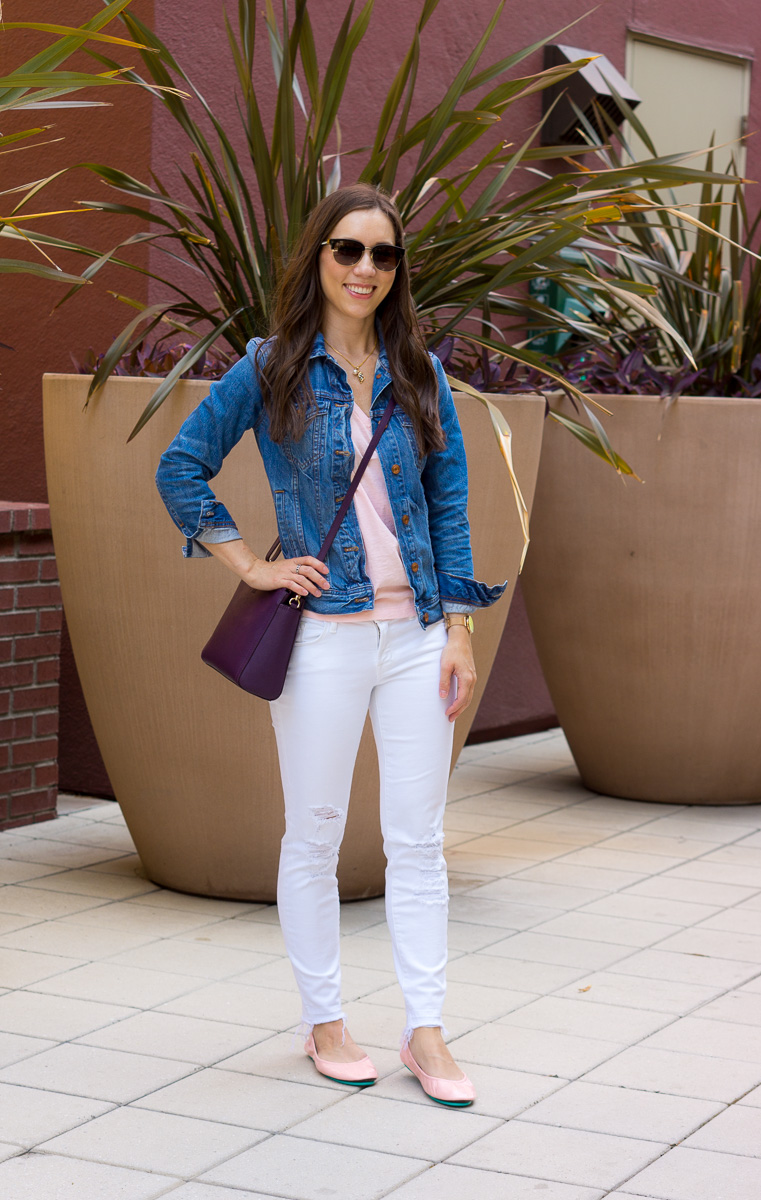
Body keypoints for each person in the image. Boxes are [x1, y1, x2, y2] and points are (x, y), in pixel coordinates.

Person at [156, 182, 505, 1107]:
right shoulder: (271, 367)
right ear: (318, 257)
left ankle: (425, 1031)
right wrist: (250, 565)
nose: (364, 270)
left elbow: (449, 509)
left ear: (398, 271)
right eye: (347, 250)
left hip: (418, 635)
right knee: (312, 836)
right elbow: (181, 464)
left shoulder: (420, 375)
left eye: (383, 255)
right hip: (324, 640)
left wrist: (459, 630)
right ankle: (324, 1019)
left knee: (417, 841)